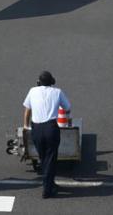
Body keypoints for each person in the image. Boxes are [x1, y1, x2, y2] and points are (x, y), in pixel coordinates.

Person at [23, 71, 71, 199]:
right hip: (51, 128)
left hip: (36, 129)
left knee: (43, 158)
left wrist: (25, 125)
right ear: (51, 82)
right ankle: (47, 188)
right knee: (50, 159)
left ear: (38, 82)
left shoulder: (32, 91)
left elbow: (27, 109)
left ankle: (50, 183)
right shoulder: (57, 92)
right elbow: (67, 107)